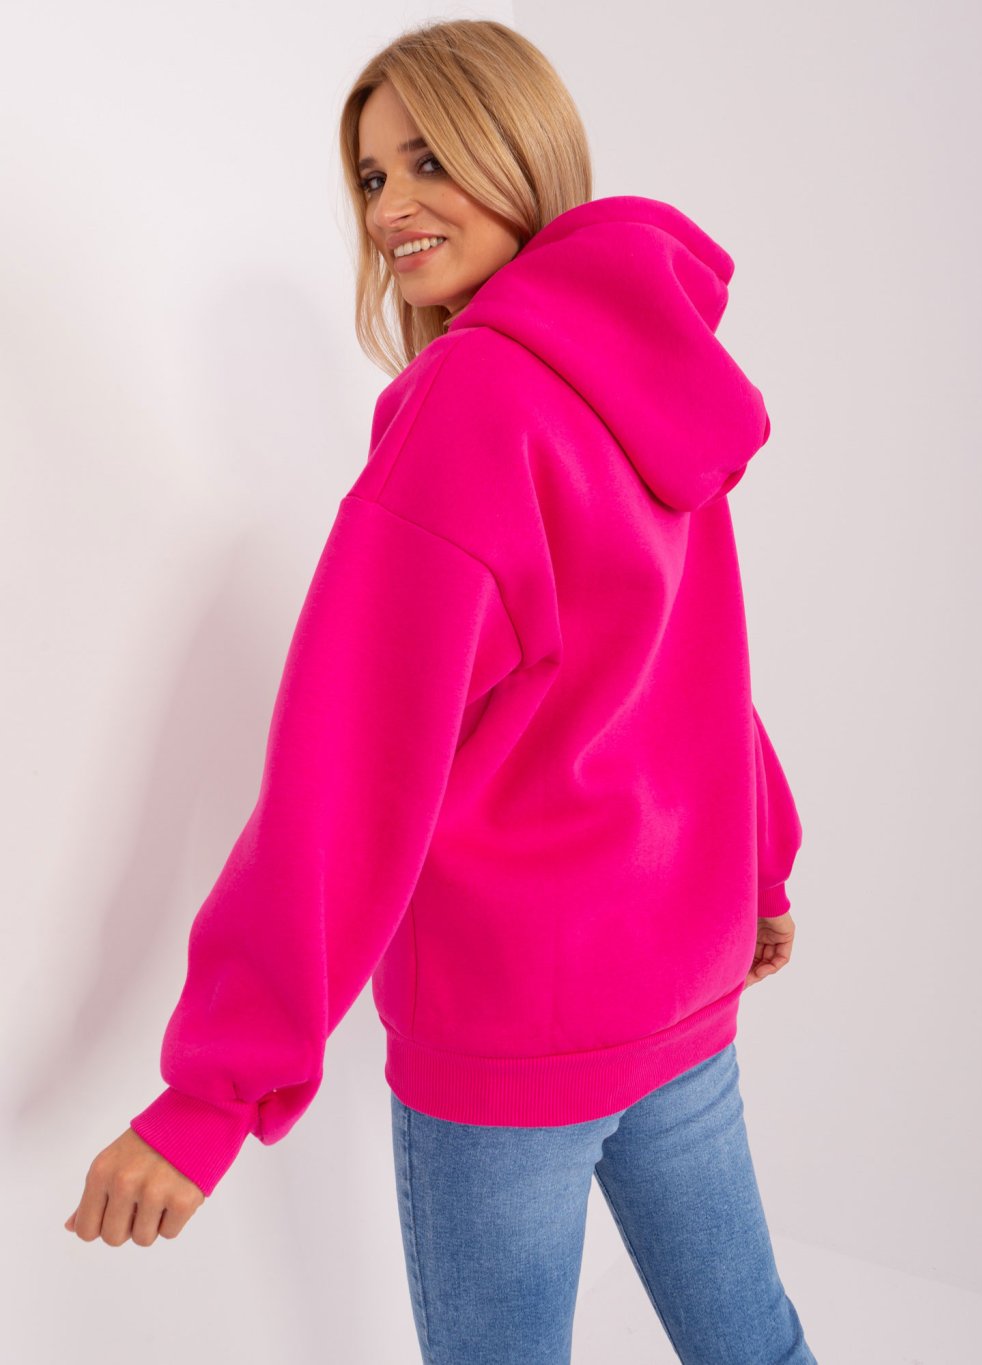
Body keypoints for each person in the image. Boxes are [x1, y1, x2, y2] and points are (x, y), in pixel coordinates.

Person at [64, 18, 816, 1365]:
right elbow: (699, 658)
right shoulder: (651, 368)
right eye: (370, 176)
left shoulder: (469, 403)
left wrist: (212, 1096)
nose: (390, 208)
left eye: (430, 159)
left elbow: (348, 773)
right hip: (680, 985)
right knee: (754, 1347)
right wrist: (757, 862)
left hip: (516, 1033)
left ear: (520, 151)